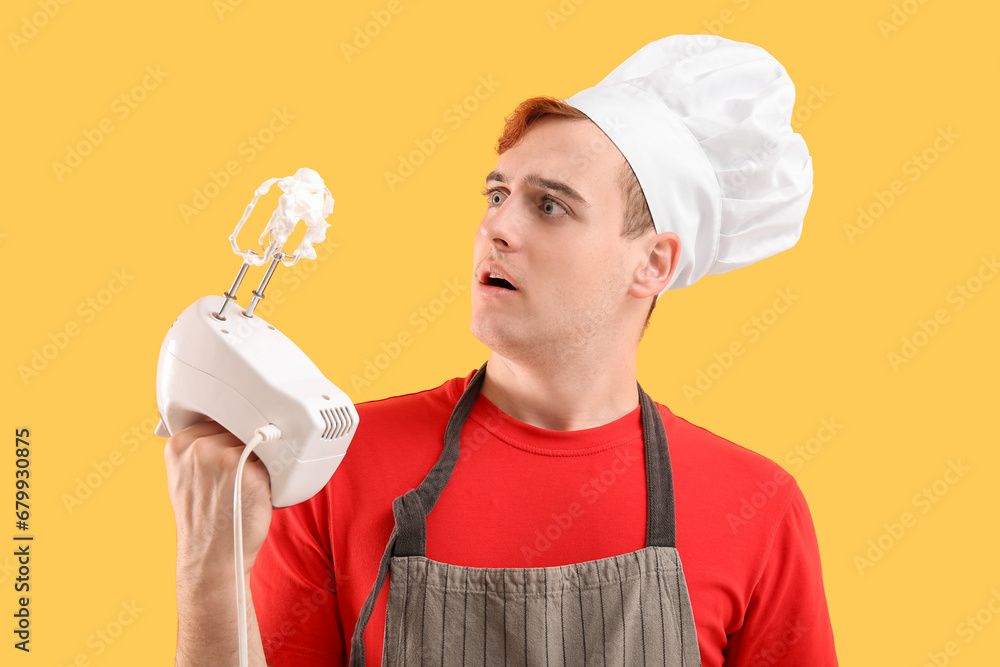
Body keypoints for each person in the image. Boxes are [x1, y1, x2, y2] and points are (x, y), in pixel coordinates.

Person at [164, 34, 837, 666]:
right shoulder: (335, 465)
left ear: (653, 264)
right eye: (497, 193)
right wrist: (208, 569)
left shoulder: (756, 506)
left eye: (549, 206)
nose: (497, 227)